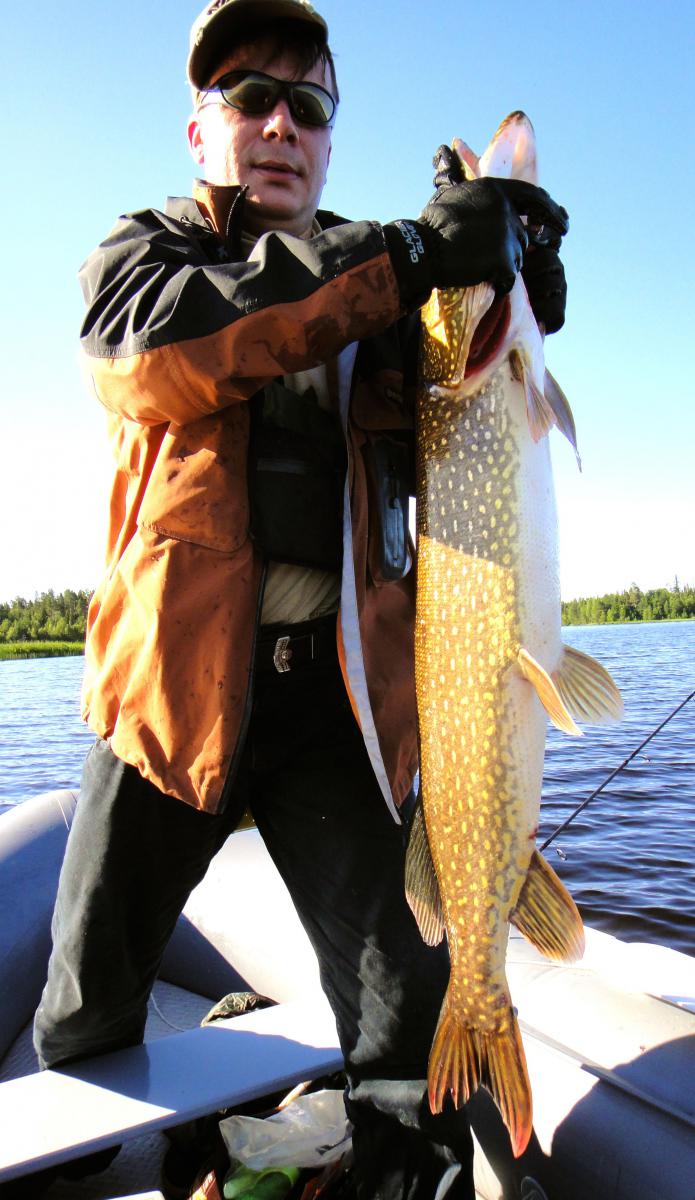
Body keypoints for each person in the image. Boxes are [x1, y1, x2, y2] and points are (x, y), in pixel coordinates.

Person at [33, 1, 568, 1196]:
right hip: (169, 694)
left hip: (335, 700)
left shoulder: (383, 287)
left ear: (328, 136)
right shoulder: (142, 260)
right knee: (85, 1011)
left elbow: (469, 400)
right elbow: (175, 349)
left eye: (307, 105)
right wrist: (409, 256)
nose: (279, 125)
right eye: (249, 98)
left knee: (403, 1012)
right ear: (201, 129)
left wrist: (511, 278)